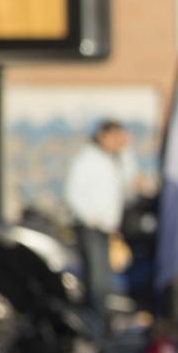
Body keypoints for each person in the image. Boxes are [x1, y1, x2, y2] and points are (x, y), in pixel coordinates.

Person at [62, 120, 136, 323]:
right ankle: (97, 318)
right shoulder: (87, 159)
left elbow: (128, 181)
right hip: (90, 226)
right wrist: (89, 217)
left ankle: (100, 316)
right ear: (103, 135)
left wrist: (126, 151)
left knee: (104, 272)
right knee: (97, 274)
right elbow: (72, 193)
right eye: (114, 137)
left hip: (106, 226)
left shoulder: (112, 160)